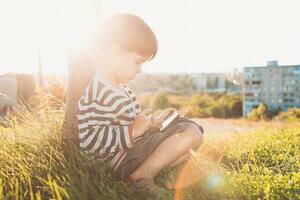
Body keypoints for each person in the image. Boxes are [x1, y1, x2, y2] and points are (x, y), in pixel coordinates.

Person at [76, 13, 204, 198]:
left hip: (131, 151)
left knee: (191, 131)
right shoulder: (99, 92)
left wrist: (153, 122)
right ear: (114, 53)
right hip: (118, 160)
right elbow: (90, 141)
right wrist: (133, 132)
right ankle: (141, 177)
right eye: (137, 61)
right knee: (190, 133)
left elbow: (133, 121)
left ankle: (146, 169)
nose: (140, 69)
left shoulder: (121, 88)